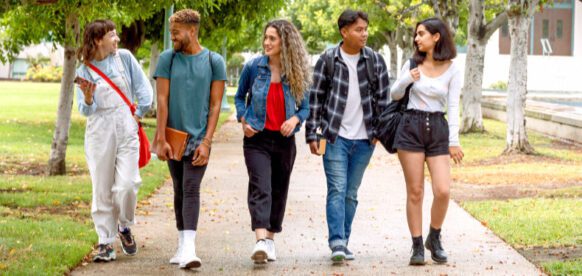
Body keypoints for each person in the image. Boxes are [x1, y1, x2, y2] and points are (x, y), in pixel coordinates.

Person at [305, 9, 390, 263]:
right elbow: (316, 98)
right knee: (337, 189)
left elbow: (384, 101)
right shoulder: (328, 59)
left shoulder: (375, 60)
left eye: (365, 29)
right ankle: (337, 242)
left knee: (351, 193)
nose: (364, 34)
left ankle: (344, 239)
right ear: (344, 32)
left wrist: (378, 133)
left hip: (365, 140)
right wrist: (312, 133)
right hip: (334, 137)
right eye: (359, 29)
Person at [153, 9, 226, 269]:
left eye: (176, 33)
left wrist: (207, 141)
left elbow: (216, 104)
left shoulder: (214, 61)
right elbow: (162, 100)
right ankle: (182, 245)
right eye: (171, 32)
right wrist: (160, 138)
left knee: (191, 188)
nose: (172, 37)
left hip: (198, 139)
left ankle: (190, 249)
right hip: (173, 137)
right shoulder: (167, 59)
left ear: (192, 31)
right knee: (178, 189)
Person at [234, 19, 311, 264]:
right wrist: (244, 119)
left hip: (284, 140)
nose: (266, 43)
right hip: (257, 138)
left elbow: (307, 107)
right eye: (265, 38)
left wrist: (296, 119)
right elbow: (239, 98)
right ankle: (259, 241)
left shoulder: (297, 71)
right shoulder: (253, 68)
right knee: (261, 187)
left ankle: (270, 240)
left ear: (285, 42)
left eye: (272, 39)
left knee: (279, 190)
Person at [75, 19, 153, 262]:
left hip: (126, 125)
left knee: (127, 185)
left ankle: (124, 225)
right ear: (98, 40)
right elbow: (85, 110)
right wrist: (88, 99)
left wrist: (137, 116)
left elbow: (144, 91)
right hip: (99, 131)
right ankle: (105, 242)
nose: (117, 39)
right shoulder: (83, 70)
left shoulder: (125, 58)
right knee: (102, 188)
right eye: (112, 35)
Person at [390, 17, 464, 265]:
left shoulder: (453, 68)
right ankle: (416, 245)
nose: (416, 38)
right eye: (416, 34)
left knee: (443, 190)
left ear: (436, 37)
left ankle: (434, 235)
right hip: (411, 127)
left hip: (438, 129)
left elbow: (453, 106)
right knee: (415, 191)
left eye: (421, 33)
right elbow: (395, 94)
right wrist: (408, 78)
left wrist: (454, 141)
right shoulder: (412, 63)